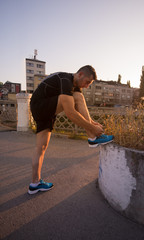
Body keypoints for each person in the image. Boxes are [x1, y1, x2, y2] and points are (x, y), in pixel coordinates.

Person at [28, 65, 113, 194]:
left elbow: (80, 107)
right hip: (40, 106)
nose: (87, 86)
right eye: (87, 82)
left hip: (45, 110)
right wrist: (92, 128)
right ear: (79, 74)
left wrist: (91, 123)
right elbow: (71, 113)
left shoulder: (74, 85)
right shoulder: (65, 80)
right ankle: (92, 137)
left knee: (41, 148)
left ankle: (34, 184)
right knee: (74, 98)